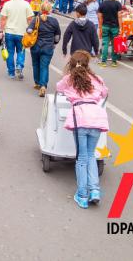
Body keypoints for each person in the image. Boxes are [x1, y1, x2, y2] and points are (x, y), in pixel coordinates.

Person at [56, 50, 109, 209]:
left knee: (81, 158)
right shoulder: (97, 79)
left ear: (71, 63)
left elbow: (58, 88)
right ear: (88, 64)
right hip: (97, 118)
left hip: (80, 118)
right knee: (91, 155)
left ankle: (82, 194)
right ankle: (94, 190)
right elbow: (105, 92)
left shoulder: (69, 79)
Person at [27, 1, 61, 97]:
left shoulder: (36, 19)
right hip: (48, 47)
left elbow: (29, 30)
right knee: (44, 66)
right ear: (50, 10)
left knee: (35, 64)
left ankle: (37, 83)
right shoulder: (54, 21)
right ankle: (43, 85)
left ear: (41, 9)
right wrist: (54, 43)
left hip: (36, 46)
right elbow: (57, 36)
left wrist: (31, 31)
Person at [0, 0, 34, 80]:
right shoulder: (26, 4)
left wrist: (1, 31)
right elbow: (30, 19)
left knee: (10, 52)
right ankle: (19, 65)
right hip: (22, 32)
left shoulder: (7, 4)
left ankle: (11, 72)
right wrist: (31, 31)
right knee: (21, 51)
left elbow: (3, 19)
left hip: (9, 32)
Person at [97, 0, 123, 67]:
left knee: (105, 43)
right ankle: (114, 62)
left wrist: (100, 27)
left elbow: (100, 17)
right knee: (114, 44)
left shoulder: (102, 4)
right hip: (115, 27)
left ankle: (103, 61)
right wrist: (120, 27)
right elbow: (119, 16)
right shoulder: (118, 4)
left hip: (105, 26)